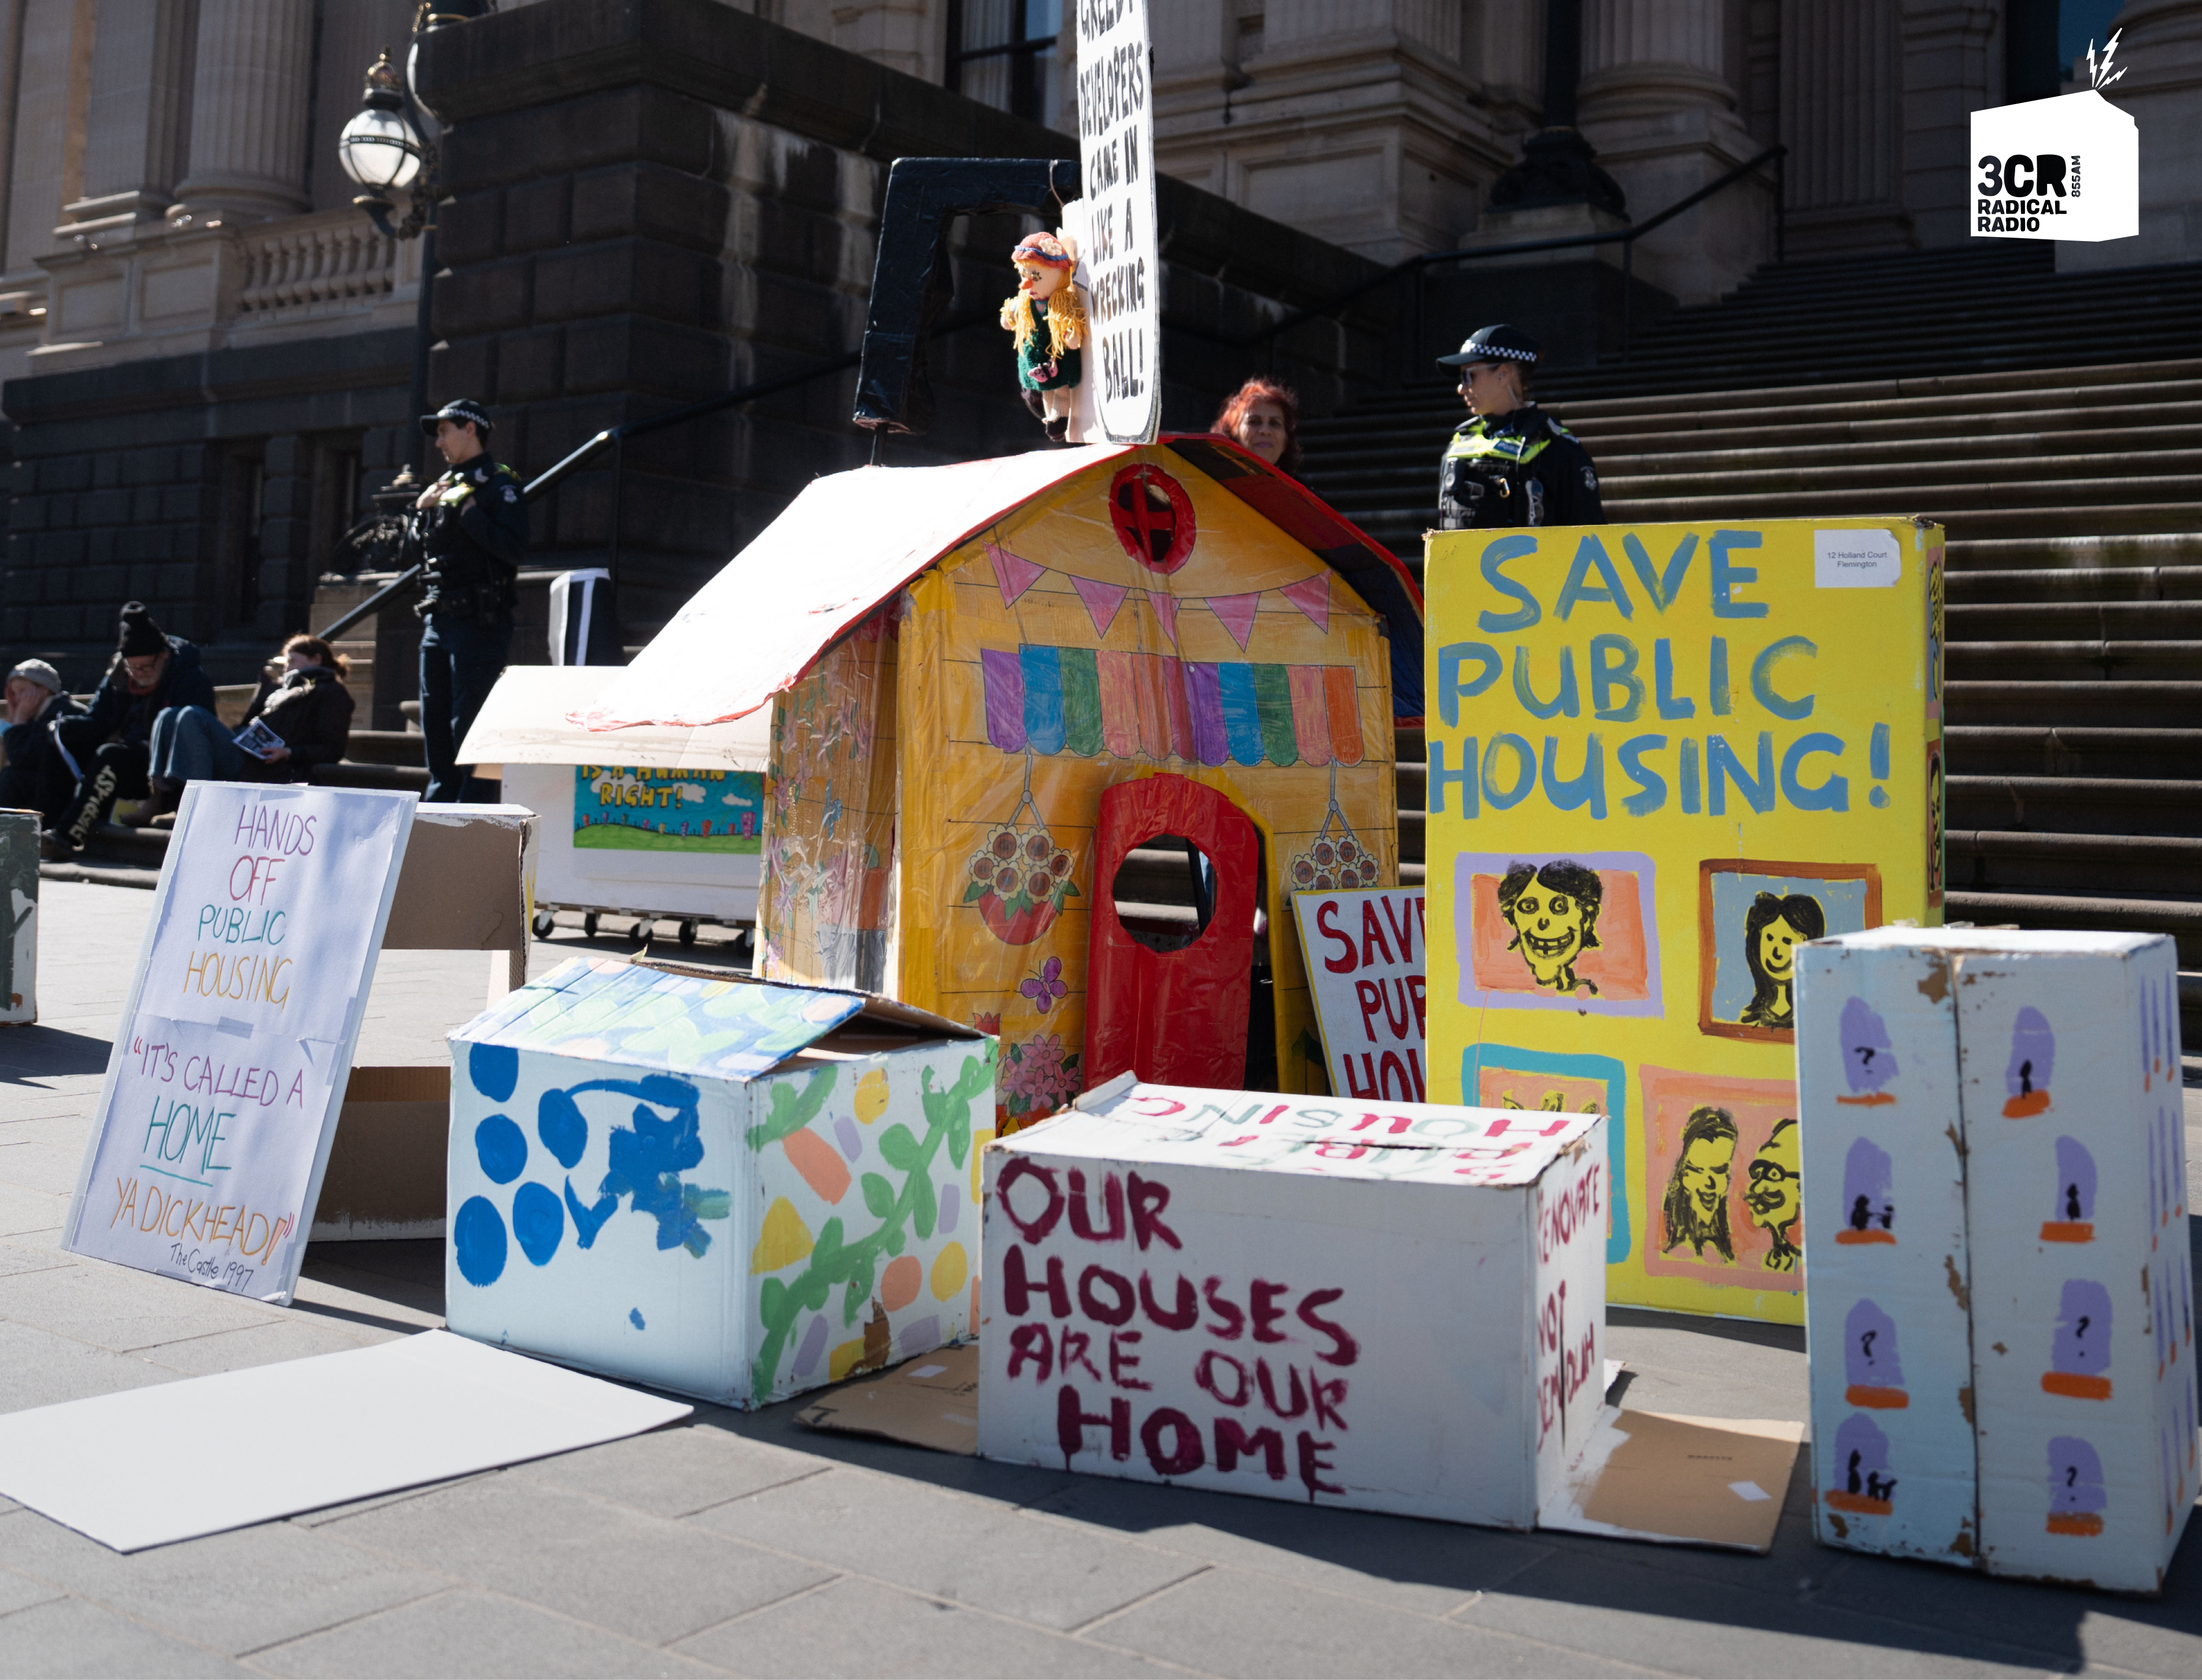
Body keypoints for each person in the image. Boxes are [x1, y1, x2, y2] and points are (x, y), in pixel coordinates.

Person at [413, 398, 526, 802]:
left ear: (471, 429)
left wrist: (470, 512)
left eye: (444, 431)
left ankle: (472, 806)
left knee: (471, 722)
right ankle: (439, 802)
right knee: (436, 721)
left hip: (480, 621)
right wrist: (421, 513)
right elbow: (421, 554)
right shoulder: (441, 487)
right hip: (438, 619)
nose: (439, 442)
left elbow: (514, 549)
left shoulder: (500, 485)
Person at [48, 602, 215, 857]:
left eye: (146, 667)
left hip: (166, 766)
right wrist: (65, 728)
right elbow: (99, 719)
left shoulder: (190, 679)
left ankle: (66, 836)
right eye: (132, 668)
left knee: (110, 755)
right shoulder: (119, 677)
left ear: (164, 656)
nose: (139, 675)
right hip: (129, 757)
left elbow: (196, 735)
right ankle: (44, 825)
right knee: (56, 746)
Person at [139, 634, 356, 818]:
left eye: (292, 661)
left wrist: (288, 752)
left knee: (192, 715)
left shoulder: (331, 693)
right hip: (248, 756)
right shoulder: (281, 690)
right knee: (169, 714)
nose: (287, 668)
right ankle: (161, 796)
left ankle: (198, 807)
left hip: (272, 769)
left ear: (315, 659)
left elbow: (333, 749)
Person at [1434, 324, 1605, 530]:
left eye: (1469, 376)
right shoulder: (1459, 445)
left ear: (1503, 374)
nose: (1461, 388)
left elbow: (1592, 538)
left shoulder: (1560, 451)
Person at [0, 659, 86, 828]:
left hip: (65, 793)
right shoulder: (41, 714)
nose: (17, 699)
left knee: (11, 778)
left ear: (43, 689)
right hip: (51, 788)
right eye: (14, 693)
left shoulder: (59, 713)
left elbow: (22, 759)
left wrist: (19, 720)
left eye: (22, 691)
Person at [1212, 378, 1302, 475]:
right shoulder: (1207, 485)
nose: (1265, 431)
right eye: (1254, 422)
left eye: (1275, 423)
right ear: (1233, 434)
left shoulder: (1302, 491)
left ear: (1286, 441)